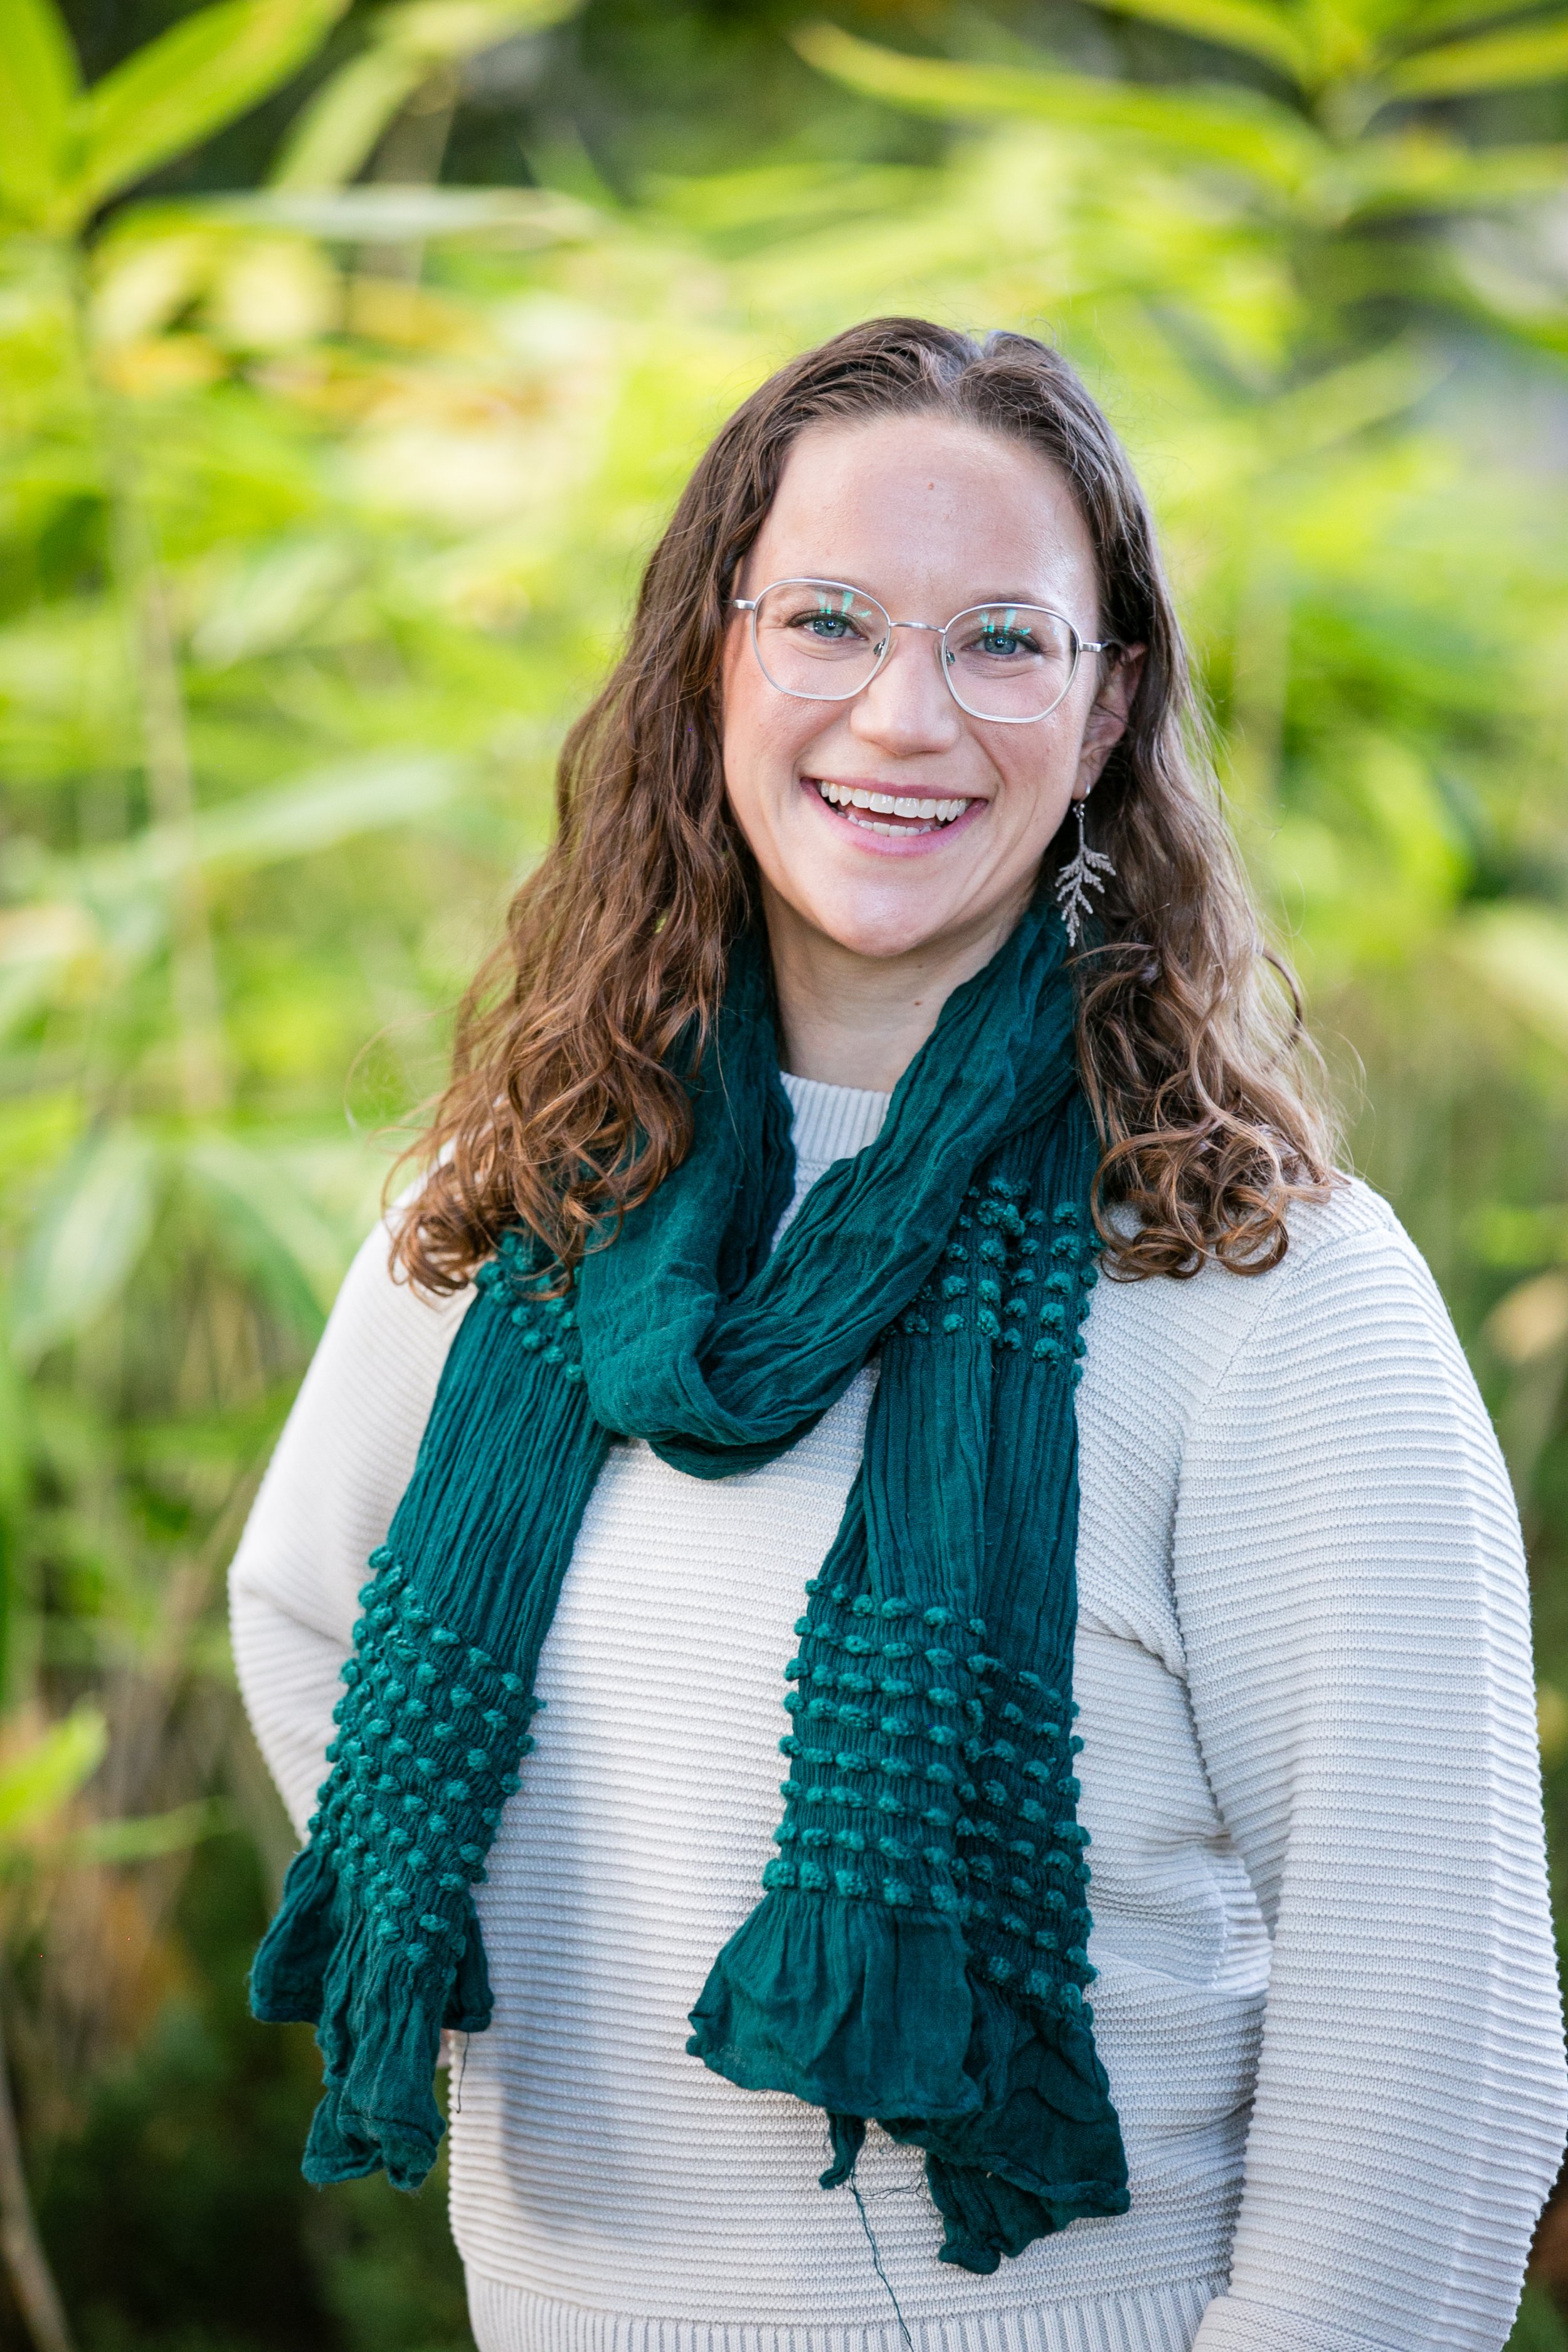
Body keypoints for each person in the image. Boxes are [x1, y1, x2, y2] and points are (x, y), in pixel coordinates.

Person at [231, 318, 1566, 2352]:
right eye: (829, 620)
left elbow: (1436, 2041)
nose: (903, 714)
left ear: (1110, 703)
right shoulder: (514, 1204)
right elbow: (308, 1618)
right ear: (715, 658)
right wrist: (557, 2025)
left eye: (1002, 642)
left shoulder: (1265, 1291)